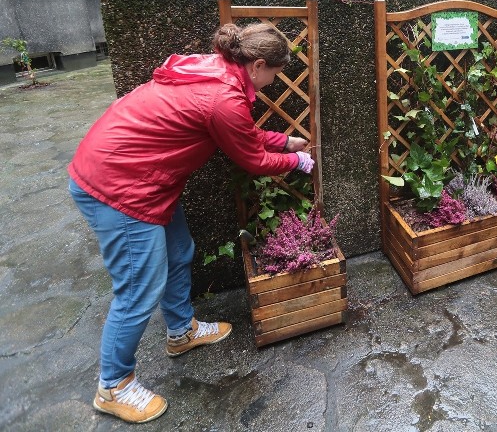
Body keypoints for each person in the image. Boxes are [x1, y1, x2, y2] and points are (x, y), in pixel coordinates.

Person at [68, 23, 315, 423]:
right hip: (118, 186)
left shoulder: (216, 72)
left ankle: (181, 332)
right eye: (275, 73)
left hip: (144, 178)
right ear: (257, 66)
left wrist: (284, 142)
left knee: (180, 251)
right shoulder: (223, 96)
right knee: (137, 290)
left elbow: (239, 133)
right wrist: (296, 162)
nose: (274, 82)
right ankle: (113, 386)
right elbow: (250, 158)